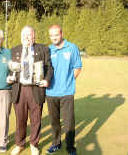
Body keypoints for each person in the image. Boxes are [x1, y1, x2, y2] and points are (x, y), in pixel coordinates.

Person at [7, 26, 53, 155]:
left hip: (36, 89)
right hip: (19, 89)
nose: (26, 37)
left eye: (29, 35)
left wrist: (47, 80)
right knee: (20, 120)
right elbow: (10, 69)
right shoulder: (14, 50)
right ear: (21, 37)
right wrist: (9, 77)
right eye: (24, 35)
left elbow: (49, 68)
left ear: (34, 36)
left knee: (35, 119)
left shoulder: (43, 49)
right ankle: (19, 144)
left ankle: (34, 144)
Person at [46, 24, 82, 155]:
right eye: (51, 35)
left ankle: (70, 147)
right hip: (50, 92)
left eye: (56, 34)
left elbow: (77, 67)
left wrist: (68, 82)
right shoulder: (48, 49)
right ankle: (56, 144)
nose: (54, 37)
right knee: (54, 121)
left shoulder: (72, 47)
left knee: (68, 122)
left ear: (61, 34)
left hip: (67, 92)